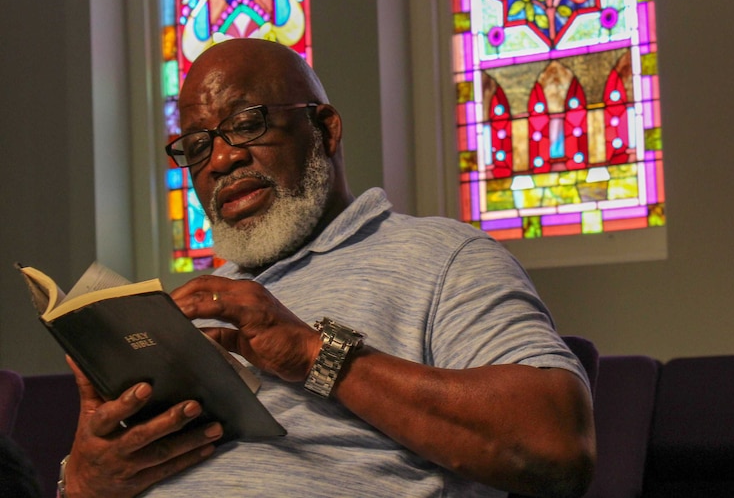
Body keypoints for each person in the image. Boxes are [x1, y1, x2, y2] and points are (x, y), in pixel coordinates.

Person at [60, 38, 595, 497]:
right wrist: (84, 479)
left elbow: (556, 446)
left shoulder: (442, 255)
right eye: (198, 145)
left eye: (247, 125)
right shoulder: (193, 309)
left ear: (325, 130)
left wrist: (313, 353)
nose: (221, 161)